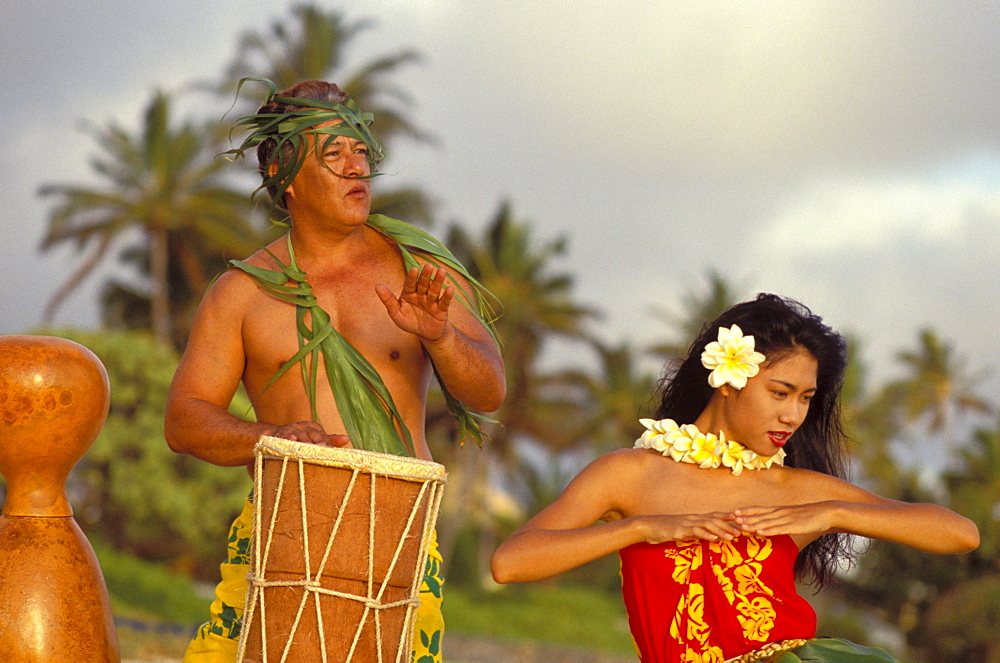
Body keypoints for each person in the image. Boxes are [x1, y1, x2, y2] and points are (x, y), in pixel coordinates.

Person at [165, 79, 505, 663]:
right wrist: (267, 438)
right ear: (286, 176)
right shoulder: (242, 293)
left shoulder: (417, 269)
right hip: (282, 530)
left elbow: (490, 391)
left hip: (398, 534)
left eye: (361, 152)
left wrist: (442, 336)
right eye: (334, 155)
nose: (357, 169)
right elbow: (185, 420)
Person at [490, 294, 978, 662]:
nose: (793, 415)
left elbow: (959, 533)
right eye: (780, 392)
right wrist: (641, 529)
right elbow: (511, 563)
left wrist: (834, 513)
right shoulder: (631, 475)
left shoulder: (799, 492)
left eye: (806, 398)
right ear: (726, 378)